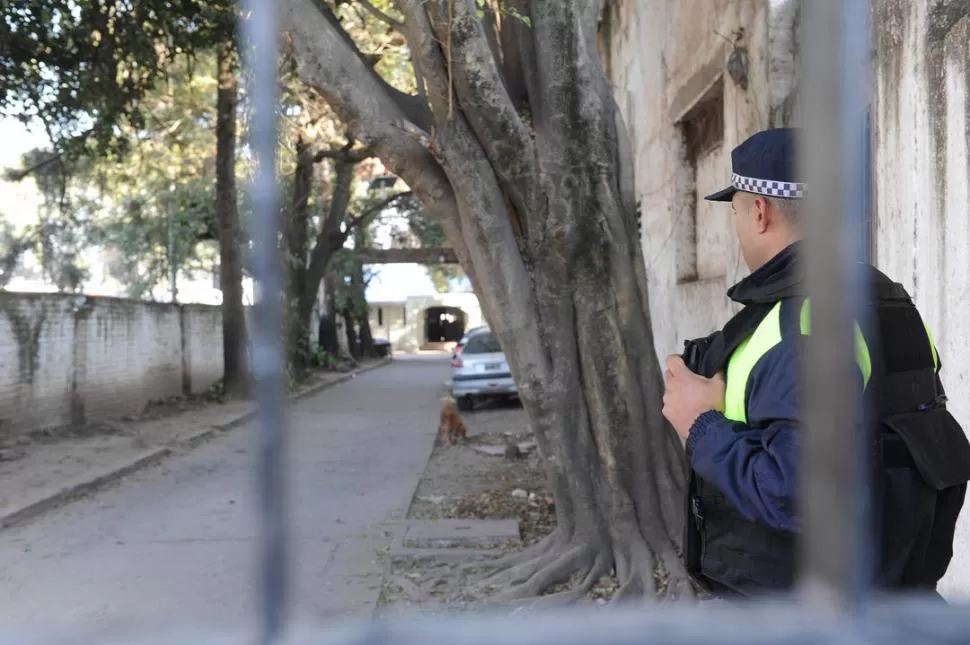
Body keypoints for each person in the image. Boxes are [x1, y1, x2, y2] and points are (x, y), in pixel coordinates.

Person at [661, 127, 970, 599]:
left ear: (759, 212)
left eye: (738, 210)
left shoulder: (801, 324)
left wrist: (699, 423)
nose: (740, 225)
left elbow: (801, 494)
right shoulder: (891, 301)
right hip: (899, 602)